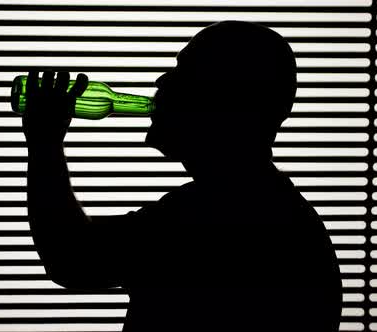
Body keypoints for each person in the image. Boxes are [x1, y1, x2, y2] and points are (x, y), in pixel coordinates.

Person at [21, 20, 342, 332]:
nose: (162, 80)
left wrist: (44, 142)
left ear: (227, 103)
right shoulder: (266, 207)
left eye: (185, 72)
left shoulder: (220, 215)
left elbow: (73, 257)